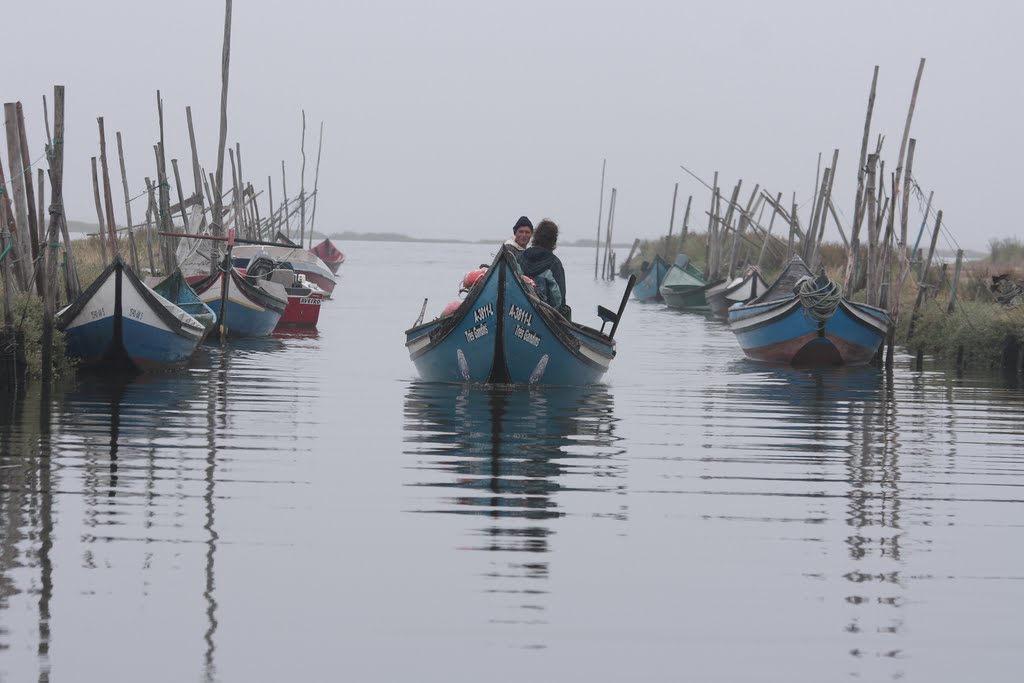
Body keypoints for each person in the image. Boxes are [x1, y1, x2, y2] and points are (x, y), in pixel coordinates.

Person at [518, 219, 568, 316]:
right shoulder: (554, 263)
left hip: (519, 312)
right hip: (544, 316)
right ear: (554, 240)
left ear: (535, 236)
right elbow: (559, 300)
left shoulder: (520, 257)